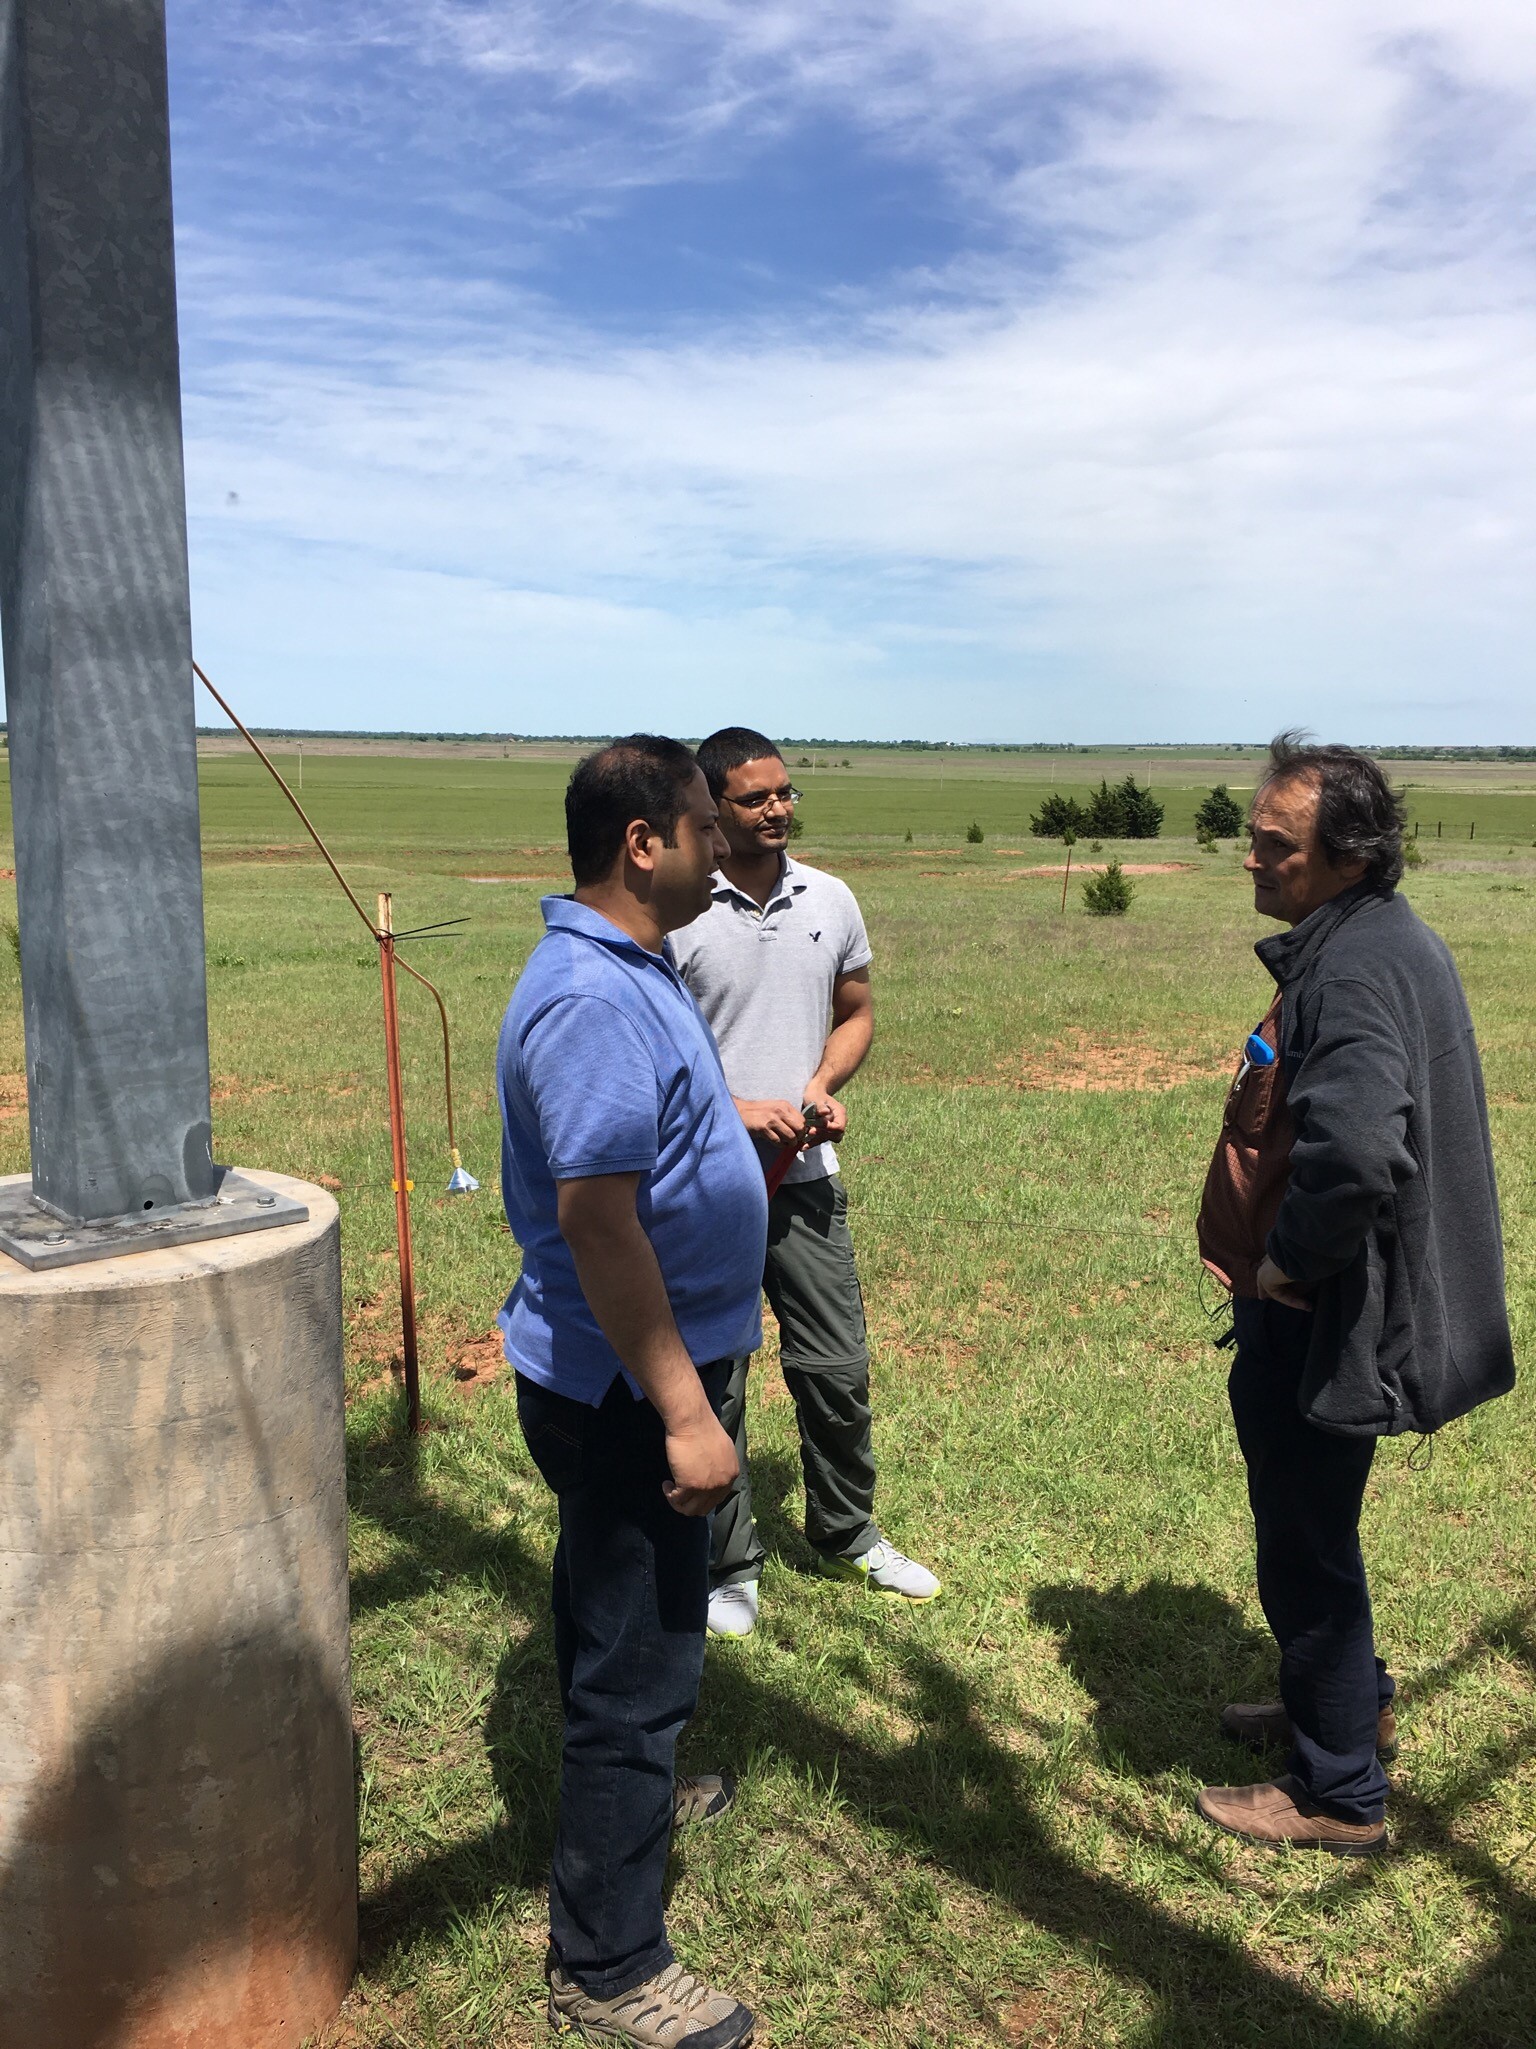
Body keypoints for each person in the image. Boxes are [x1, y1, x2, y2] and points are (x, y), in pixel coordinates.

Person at [1195, 732, 1515, 1854]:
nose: (1253, 861)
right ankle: (1345, 1701)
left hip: (1327, 1315)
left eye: (1276, 846)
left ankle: (1337, 1792)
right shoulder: (1383, 937)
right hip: (1339, 1305)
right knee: (1313, 1524)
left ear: (1348, 856)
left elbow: (1357, 1157)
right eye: (1254, 838)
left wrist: (1287, 1264)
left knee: (1303, 1538)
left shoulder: (1356, 964)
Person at [497, 735, 766, 2045]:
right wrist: (685, 1408)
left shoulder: (626, 968)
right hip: (624, 1390)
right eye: (706, 828)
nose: (725, 850)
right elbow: (600, 1223)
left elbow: (645, 1159)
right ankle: (607, 1963)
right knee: (640, 1660)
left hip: (631, 1376)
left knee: (624, 1627)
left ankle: (637, 1795)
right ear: (644, 844)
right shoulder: (593, 998)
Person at [671, 726, 941, 1640]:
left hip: (807, 1178)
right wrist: (737, 1105)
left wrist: (823, 1082)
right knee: (720, 1378)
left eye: (786, 793)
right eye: (756, 798)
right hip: (707, 1182)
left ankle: (848, 1530)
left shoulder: (829, 898)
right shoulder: (677, 907)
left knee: (836, 1365)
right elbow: (658, 1050)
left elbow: (857, 1010)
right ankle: (728, 1562)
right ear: (713, 807)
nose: (779, 809)